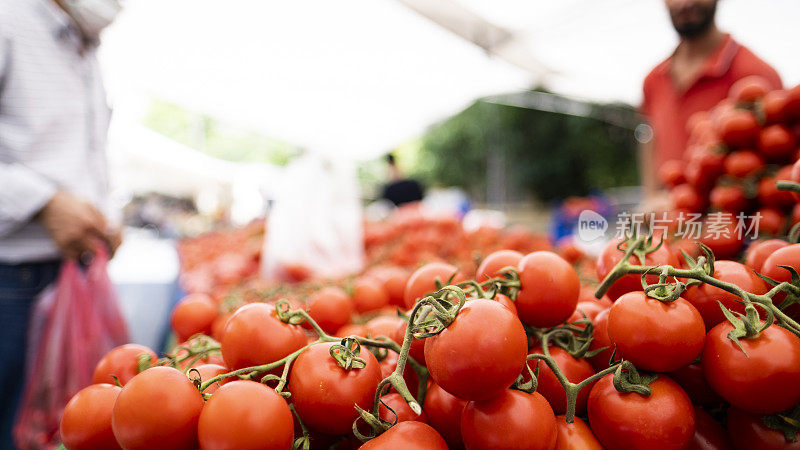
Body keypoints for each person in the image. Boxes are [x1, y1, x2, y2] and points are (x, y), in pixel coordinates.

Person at [0, 0, 122, 447]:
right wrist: (42, 201)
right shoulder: (7, 21)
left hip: (69, 270)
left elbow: (87, 157)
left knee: (55, 430)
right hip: (10, 280)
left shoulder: (84, 40)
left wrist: (106, 213)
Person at [639, 0, 781, 209]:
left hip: (730, 225)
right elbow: (649, 136)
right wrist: (651, 196)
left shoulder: (756, 74)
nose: (684, 3)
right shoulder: (653, 80)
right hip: (671, 229)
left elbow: (775, 163)